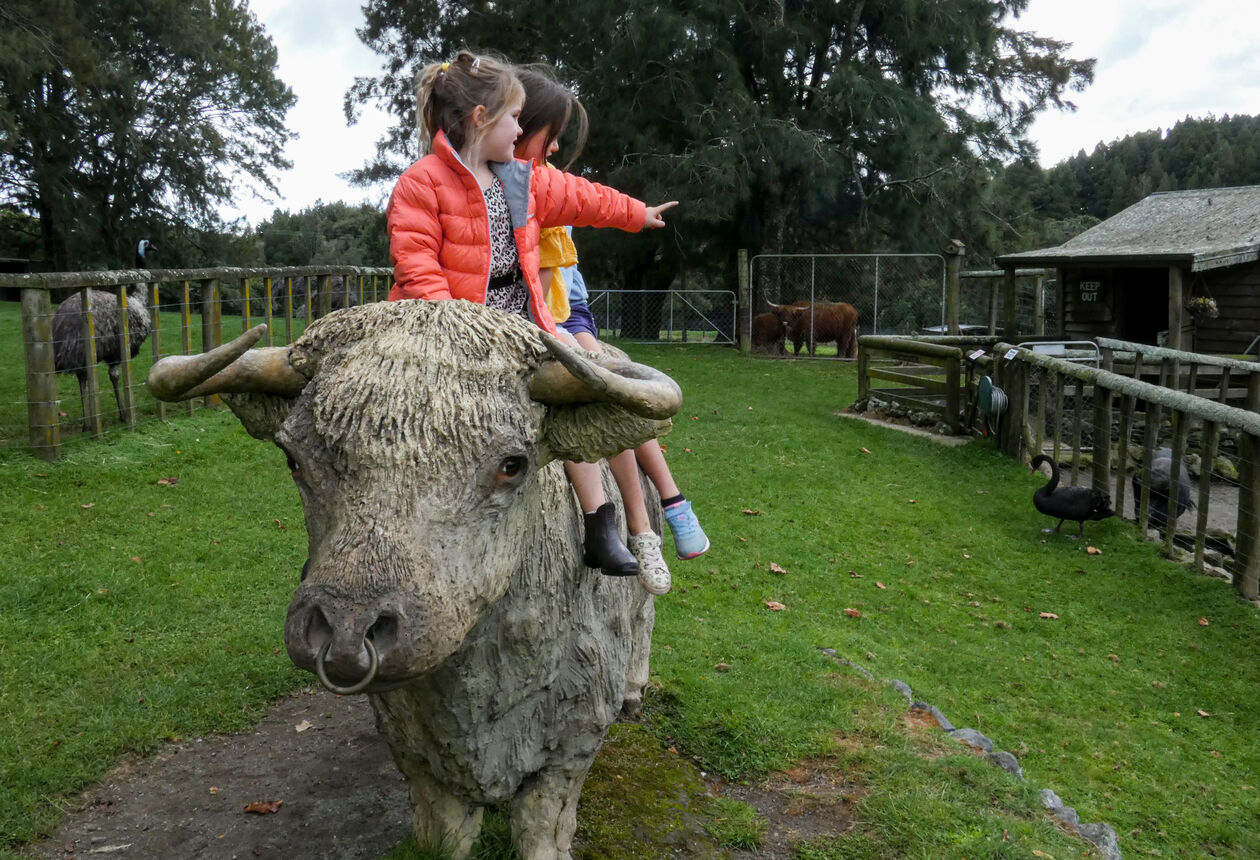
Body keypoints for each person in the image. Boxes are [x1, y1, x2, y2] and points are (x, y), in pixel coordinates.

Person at [385, 50, 679, 588]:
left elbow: (584, 197)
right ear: (481, 120)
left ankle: (599, 520)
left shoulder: (522, 180)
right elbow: (416, 260)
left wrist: (637, 214)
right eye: (515, 118)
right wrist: (452, 325)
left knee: (572, 391)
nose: (521, 131)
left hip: (518, 321)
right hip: (446, 327)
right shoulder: (420, 183)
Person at [514, 65, 709, 591]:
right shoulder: (496, 188)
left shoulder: (543, 191)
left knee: (609, 384)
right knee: (599, 386)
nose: (553, 150)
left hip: (562, 314)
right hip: (540, 317)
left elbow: (589, 208)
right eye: (548, 138)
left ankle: (658, 514)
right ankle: (648, 520)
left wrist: (638, 213)